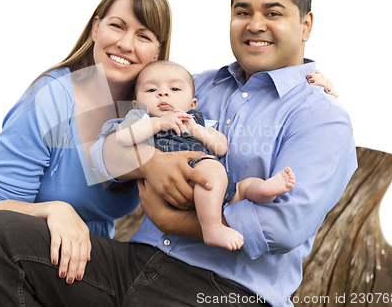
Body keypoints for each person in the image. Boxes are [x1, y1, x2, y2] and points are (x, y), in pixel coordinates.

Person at [0, 0, 356, 307]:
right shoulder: (193, 86)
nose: (255, 24)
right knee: (0, 234)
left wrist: (174, 222)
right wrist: (149, 162)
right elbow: (106, 149)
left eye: (273, 13)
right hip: (135, 264)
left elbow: (285, 226)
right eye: (242, 12)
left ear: (305, 25)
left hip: (223, 290)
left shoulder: (320, 117)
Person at [0, 0, 183, 307]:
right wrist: (55, 210)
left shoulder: (149, 117)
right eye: (117, 26)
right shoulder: (51, 97)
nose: (127, 44)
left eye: (143, 36)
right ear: (96, 28)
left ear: (157, 50)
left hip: (75, 269)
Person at [114, 59, 295, 250]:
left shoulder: (196, 121)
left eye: (175, 89)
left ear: (192, 103)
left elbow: (221, 147)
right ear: (136, 104)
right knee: (213, 169)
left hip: (212, 186)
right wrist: (158, 124)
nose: (163, 93)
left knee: (243, 187)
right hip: (183, 178)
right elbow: (123, 137)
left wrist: (197, 131)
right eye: (151, 90)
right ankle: (212, 227)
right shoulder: (141, 119)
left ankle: (263, 190)